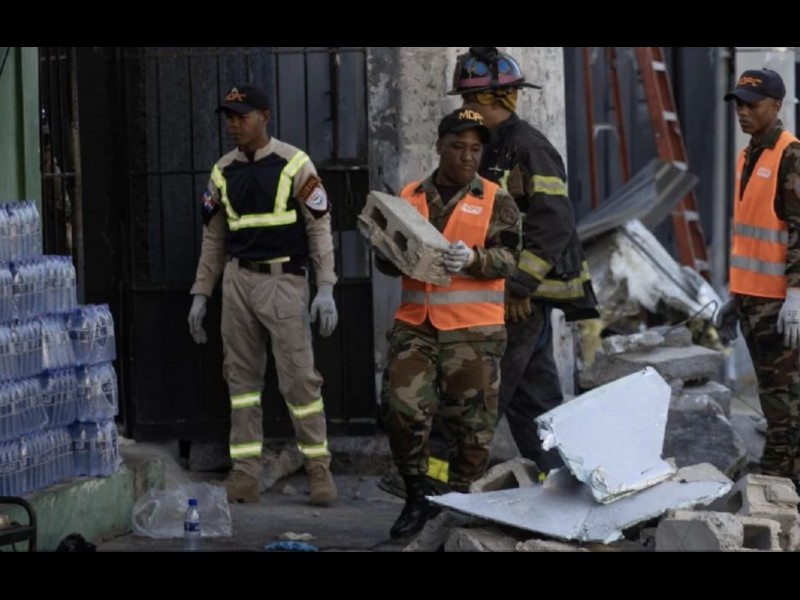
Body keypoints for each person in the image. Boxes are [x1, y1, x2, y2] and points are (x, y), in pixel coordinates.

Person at [446, 47, 599, 474]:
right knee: (535, 398)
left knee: (486, 388)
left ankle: (448, 481)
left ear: (498, 99)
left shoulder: (528, 147)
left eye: (471, 100)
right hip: (508, 288)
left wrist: (517, 287)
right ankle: (559, 477)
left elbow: (554, 223)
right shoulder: (492, 146)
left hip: (523, 295)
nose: (465, 109)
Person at [187, 83, 339, 506]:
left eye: (242, 117)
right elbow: (213, 238)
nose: (234, 125)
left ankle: (319, 470)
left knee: (300, 379)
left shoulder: (295, 164)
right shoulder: (222, 171)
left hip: (283, 281)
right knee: (241, 383)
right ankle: (245, 473)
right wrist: (201, 292)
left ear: (265, 117)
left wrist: (326, 287)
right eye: (229, 118)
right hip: (238, 282)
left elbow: (319, 226)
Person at [375, 108, 522, 538]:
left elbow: (510, 259)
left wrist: (475, 259)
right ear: (439, 146)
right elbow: (390, 262)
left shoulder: (496, 199)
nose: (467, 156)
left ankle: (458, 508)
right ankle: (416, 493)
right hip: (416, 325)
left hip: (473, 333)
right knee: (401, 410)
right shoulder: (410, 196)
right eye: (458, 147)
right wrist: (386, 250)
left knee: (471, 430)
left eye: (475, 149)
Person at [715, 68, 800, 492]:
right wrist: (736, 297)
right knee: (773, 397)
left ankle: (777, 484)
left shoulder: (790, 155)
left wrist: (796, 295)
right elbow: (751, 235)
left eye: (752, 104)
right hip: (754, 300)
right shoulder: (748, 156)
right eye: (739, 104)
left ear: (776, 105)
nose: (743, 112)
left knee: (785, 405)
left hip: (780, 305)